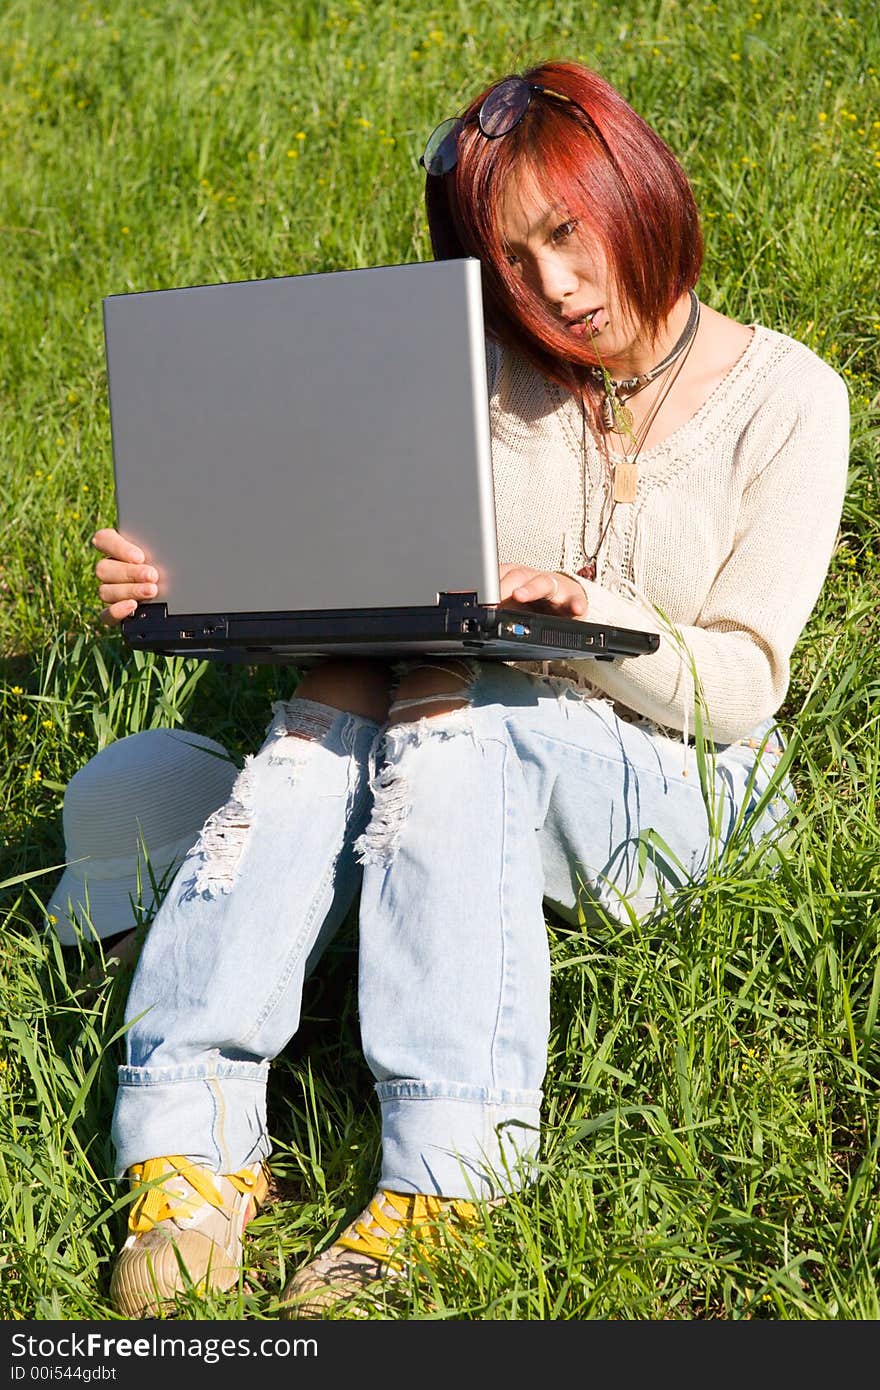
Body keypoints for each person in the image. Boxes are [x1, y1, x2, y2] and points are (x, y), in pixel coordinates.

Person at [91, 60, 850, 1319]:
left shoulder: (788, 399)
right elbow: (372, 592)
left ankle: (450, 1174)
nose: (553, 285)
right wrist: (192, 594)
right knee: (334, 702)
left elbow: (741, 692)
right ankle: (187, 1150)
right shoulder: (482, 386)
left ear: (638, 192)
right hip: (455, 745)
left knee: (452, 716)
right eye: (512, 260)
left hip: (680, 786)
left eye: (568, 233)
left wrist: (595, 611)